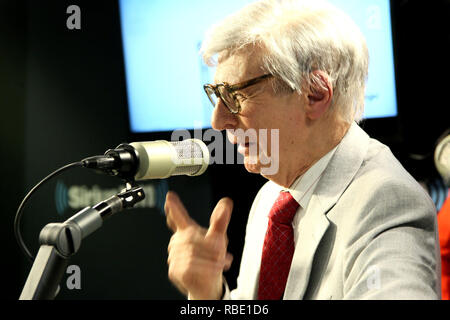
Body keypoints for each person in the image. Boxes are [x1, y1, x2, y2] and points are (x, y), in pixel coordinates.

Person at [165, 0, 441, 300]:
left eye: (235, 94)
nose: (218, 122)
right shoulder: (272, 197)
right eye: (217, 95)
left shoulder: (388, 201)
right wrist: (209, 294)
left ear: (315, 94)